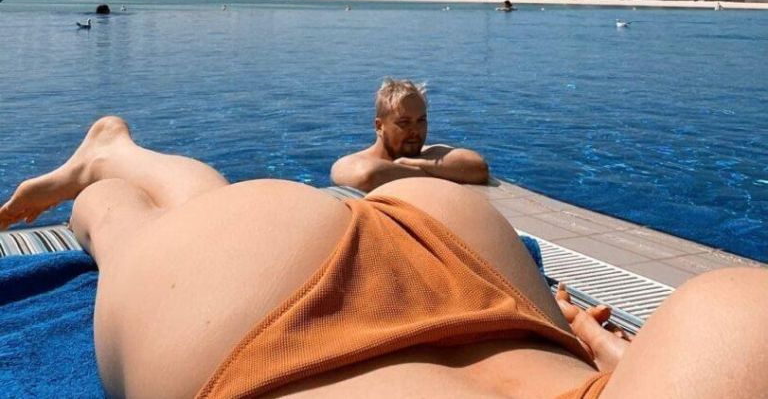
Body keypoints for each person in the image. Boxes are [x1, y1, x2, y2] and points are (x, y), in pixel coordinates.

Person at [1, 119, 767, 399]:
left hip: (463, 253)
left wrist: (622, 360)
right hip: (278, 316)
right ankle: (110, 158)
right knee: (139, 228)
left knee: (184, 218)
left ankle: (111, 155)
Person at [330, 78, 489, 191]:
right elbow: (368, 177)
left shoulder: (428, 154)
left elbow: (478, 167)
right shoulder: (353, 162)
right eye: (404, 122)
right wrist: (442, 173)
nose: (415, 130)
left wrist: (412, 163)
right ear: (379, 126)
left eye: (421, 120)